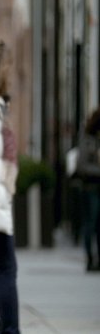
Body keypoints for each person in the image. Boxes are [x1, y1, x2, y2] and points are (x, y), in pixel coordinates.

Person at [75, 108, 100, 272]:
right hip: (91, 187)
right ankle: (90, 259)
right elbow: (81, 166)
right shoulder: (88, 139)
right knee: (90, 224)